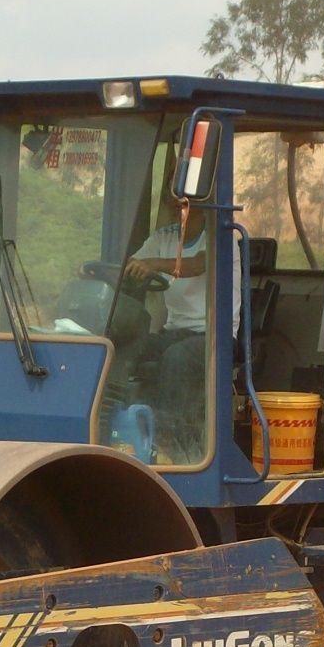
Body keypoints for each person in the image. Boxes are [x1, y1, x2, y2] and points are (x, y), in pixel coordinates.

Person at [121, 158, 240, 462]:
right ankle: (123, 433)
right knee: (128, 346)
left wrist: (154, 266)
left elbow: (197, 265)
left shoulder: (222, 237)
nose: (177, 203)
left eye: (185, 198)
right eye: (174, 196)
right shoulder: (164, 237)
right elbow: (132, 264)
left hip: (215, 337)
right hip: (173, 332)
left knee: (176, 359)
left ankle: (175, 446)